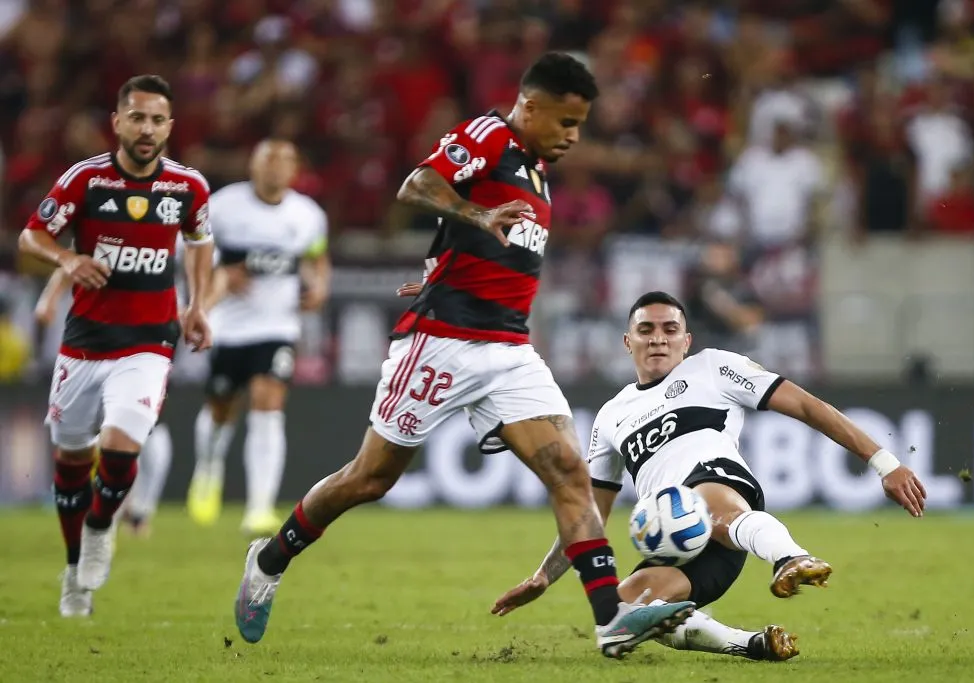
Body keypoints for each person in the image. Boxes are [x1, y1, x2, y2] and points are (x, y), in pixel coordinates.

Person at [233, 53, 695, 659]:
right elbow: (418, 185)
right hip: (441, 340)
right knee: (369, 478)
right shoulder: (489, 136)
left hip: (509, 348)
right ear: (530, 107)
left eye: (580, 124)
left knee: (570, 474)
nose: (574, 137)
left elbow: (483, 246)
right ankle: (269, 559)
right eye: (566, 122)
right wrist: (475, 216)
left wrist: (437, 263)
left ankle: (610, 618)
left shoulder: (535, 166)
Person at [490, 291, 928, 660]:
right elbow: (588, 514)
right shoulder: (611, 417)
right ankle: (750, 645)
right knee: (623, 614)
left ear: (686, 340)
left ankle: (791, 557)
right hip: (682, 548)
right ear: (627, 342)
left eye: (669, 330)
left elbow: (808, 406)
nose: (658, 339)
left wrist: (884, 463)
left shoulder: (713, 367)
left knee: (704, 500)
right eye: (646, 330)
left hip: (723, 497)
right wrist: (544, 575)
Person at [18, 74, 214, 617]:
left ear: (170, 126)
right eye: (137, 118)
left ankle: (102, 526)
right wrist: (66, 260)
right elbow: (31, 235)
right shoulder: (86, 181)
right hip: (83, 344)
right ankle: (73, 568)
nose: (147, 129)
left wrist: (197, 304)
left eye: (157, 120)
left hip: (148, 343)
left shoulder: (188, 187)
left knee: (123, 441)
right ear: (118, 122)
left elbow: (201, 242)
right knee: (72, 457)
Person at [186, 139, 329, 536]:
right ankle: (208, 465)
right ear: (252, 165)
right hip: (229, 326)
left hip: (278, 326)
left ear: (295, 169)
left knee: (269, 403)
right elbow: (198, 253)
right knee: (221, 407)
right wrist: (215, 285)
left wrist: (319, 288)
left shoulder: (307, 215)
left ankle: (259, 506)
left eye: (285, 161)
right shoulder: (224, 207)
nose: (276, 169)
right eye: (268, 160)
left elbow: (318, 258)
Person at [35, 267, 173, 538]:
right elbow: (72, 261)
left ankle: (135, 512)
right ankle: (109, 513)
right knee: (94, 440)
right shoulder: (107, 230)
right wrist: (49, 299)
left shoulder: (176, 233)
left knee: (142, 436)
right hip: (91, 345)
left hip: (146, 344)